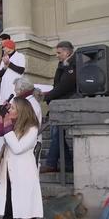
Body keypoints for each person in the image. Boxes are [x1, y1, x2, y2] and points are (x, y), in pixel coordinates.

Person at [0, 97, 43, 219]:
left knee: (27, 215)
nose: (9, 111)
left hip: (24, 177)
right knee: (7, 215)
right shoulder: (9, 128)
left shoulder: (32, 128)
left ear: (21, 110)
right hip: (7, 176)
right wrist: (1, 130)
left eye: (12, 108)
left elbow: (18, 148)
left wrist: (6, 129)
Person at [43, 41, 76, 173]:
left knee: (57, 132)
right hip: (59, 104)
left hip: (67, 103)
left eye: (59, 53)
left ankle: (51, 163)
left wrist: (48, 96)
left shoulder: (73, 64)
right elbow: (57, 84)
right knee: (57, 134)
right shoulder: (63, 64)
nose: (56, 55)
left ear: (67, 52)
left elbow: (65, 85)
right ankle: (68, 163)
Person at [0, 36, 26, 109]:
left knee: (15, 108)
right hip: (5, 87)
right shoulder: (4, 57)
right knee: (4, 109)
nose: (3, 49)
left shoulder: (20, 56)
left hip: (14, 86)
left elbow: (21, 70)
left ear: (9, 47)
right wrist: (4, 67)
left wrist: (9, 64)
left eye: (4, 47)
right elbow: (0, 74)